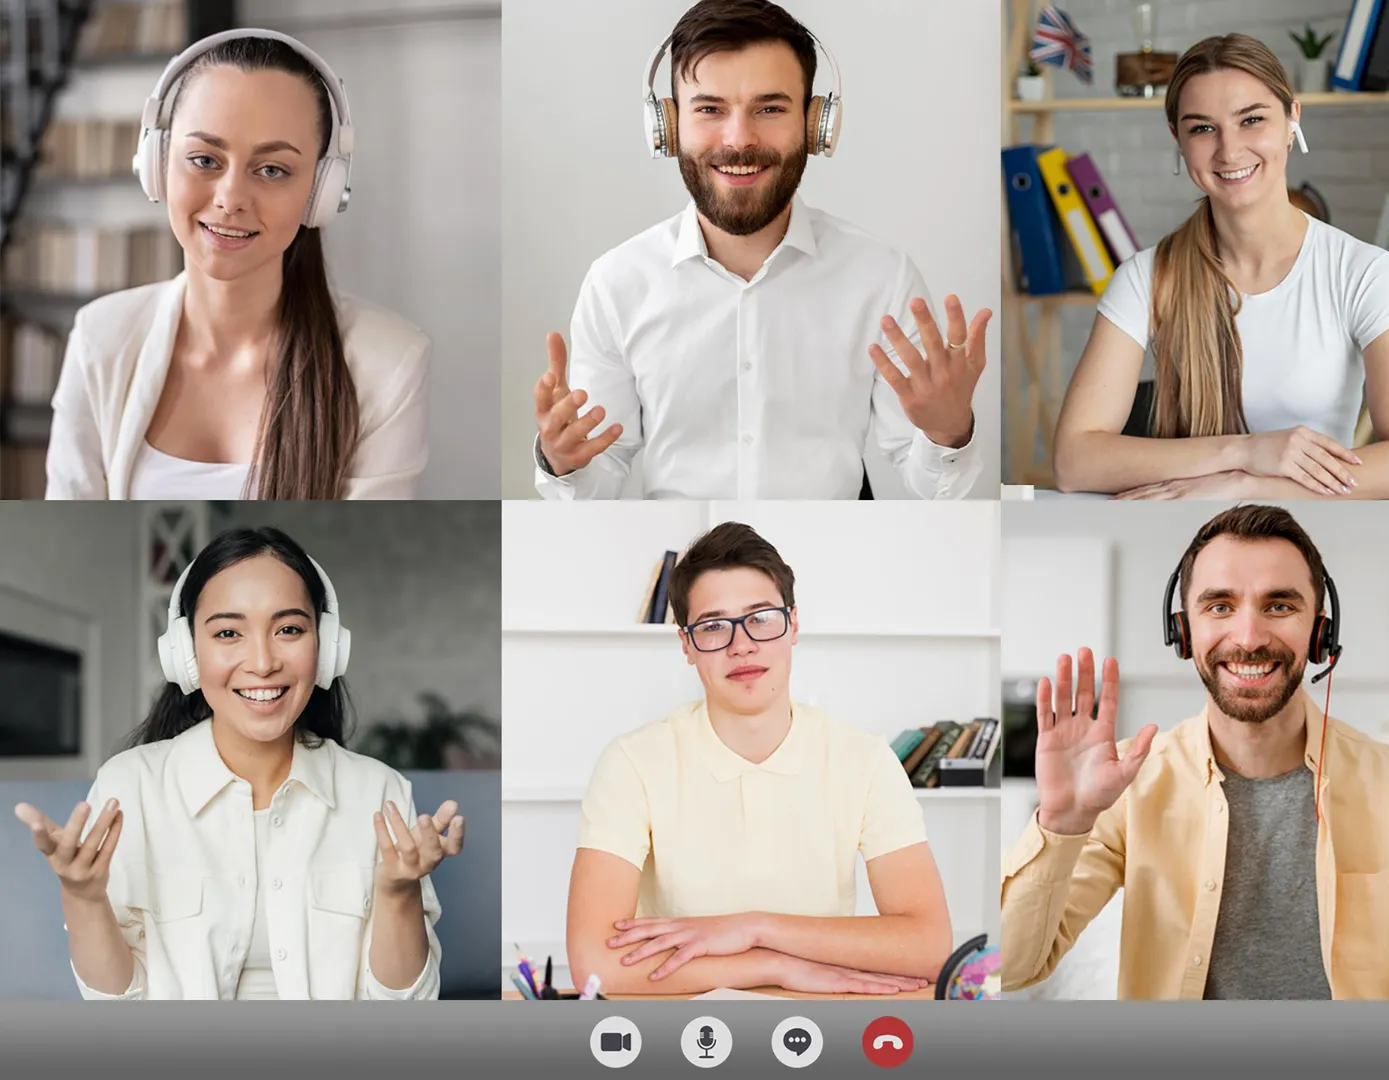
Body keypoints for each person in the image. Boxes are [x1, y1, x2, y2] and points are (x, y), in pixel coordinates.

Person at [1001, 505, 1389, 1000]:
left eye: (1279, 606)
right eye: (1219, 606)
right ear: (1182, 631)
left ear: (1321, 632)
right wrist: (1062, 822)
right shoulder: (1127, 782)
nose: (1248, 638)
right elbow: (1013, 968)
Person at [531, 0, 992, 500]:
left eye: (770, 108)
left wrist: (948, 435)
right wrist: (564, 466)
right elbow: (597, 485)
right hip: (682, 558)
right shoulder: (616, 283)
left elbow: (937, 489)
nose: (739, 139)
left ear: (816, 125)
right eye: (709, 109)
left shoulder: (882, 277)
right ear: (666, 125)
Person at [11, 527, 464, 999]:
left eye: (289, 629)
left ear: (326, 647)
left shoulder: (379, 792)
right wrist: (83, 899)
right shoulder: (131, 786)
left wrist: (397, 894)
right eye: (229, 632)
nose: (263, 662)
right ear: (185, 655)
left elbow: (404, 1007)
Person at [565, 521, 952, 995]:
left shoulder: (865, 760)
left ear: (793, 624)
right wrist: (773, 967)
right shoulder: (632, 761)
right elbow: (594, 964)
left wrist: (753, 928)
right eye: (712, 626)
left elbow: (930, 946)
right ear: (686, 645)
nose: (741, 644)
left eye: (761, 617)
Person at [45, 30, 431, 500]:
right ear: (157, 163)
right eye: (205, 159)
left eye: (272, 170)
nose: (230, 200)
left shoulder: (387, 363)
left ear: (321, 193)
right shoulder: (98, 339)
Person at [1050, 33, 1389, 501]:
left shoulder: (1364, 272)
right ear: (1178, 139)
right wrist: (1244, 453)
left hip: (1318, 540)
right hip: (1184, 541)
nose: (1229, 151)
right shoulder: (1147, 278)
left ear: (1292, 119)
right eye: (1202, 128)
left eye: (1251, 119)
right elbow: (1074, 461)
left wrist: (1246, 487)